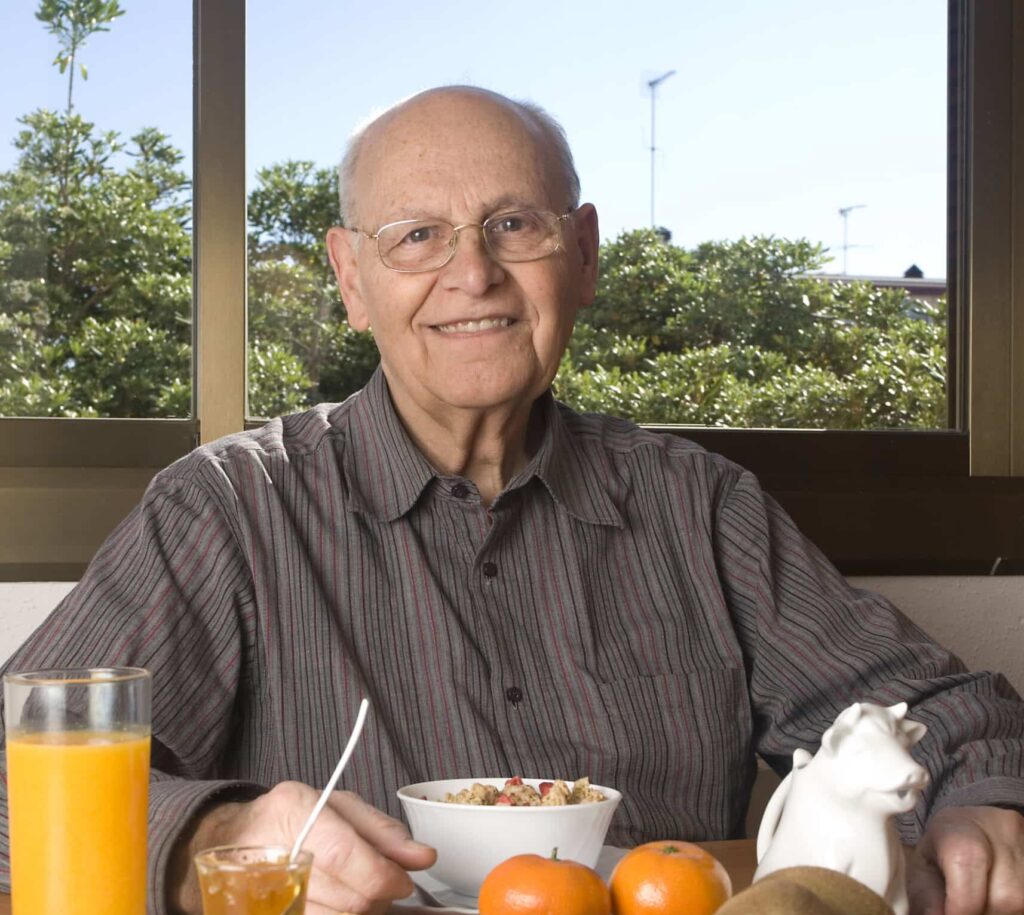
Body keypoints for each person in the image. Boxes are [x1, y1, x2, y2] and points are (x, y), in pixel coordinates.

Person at [1, 86, 1023, 915]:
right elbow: (13, 780)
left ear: (580, 255)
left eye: (511, 225)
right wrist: (216, 834)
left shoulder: (699, 507)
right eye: (415, 237)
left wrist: (979, 807)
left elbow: (945, 714)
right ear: (352, 281)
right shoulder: (228, 509)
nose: (472, 274)